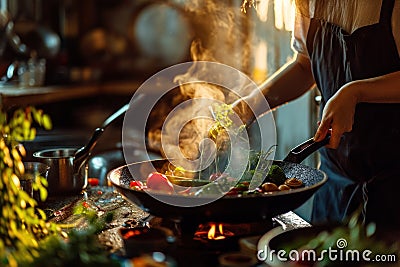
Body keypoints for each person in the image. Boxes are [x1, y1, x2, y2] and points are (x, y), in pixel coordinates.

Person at [238, 0, 400, 228]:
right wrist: (252, 103)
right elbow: (305, 66)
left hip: (393, 186)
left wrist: (356, 91)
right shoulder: (310, 4)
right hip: (334, 183)